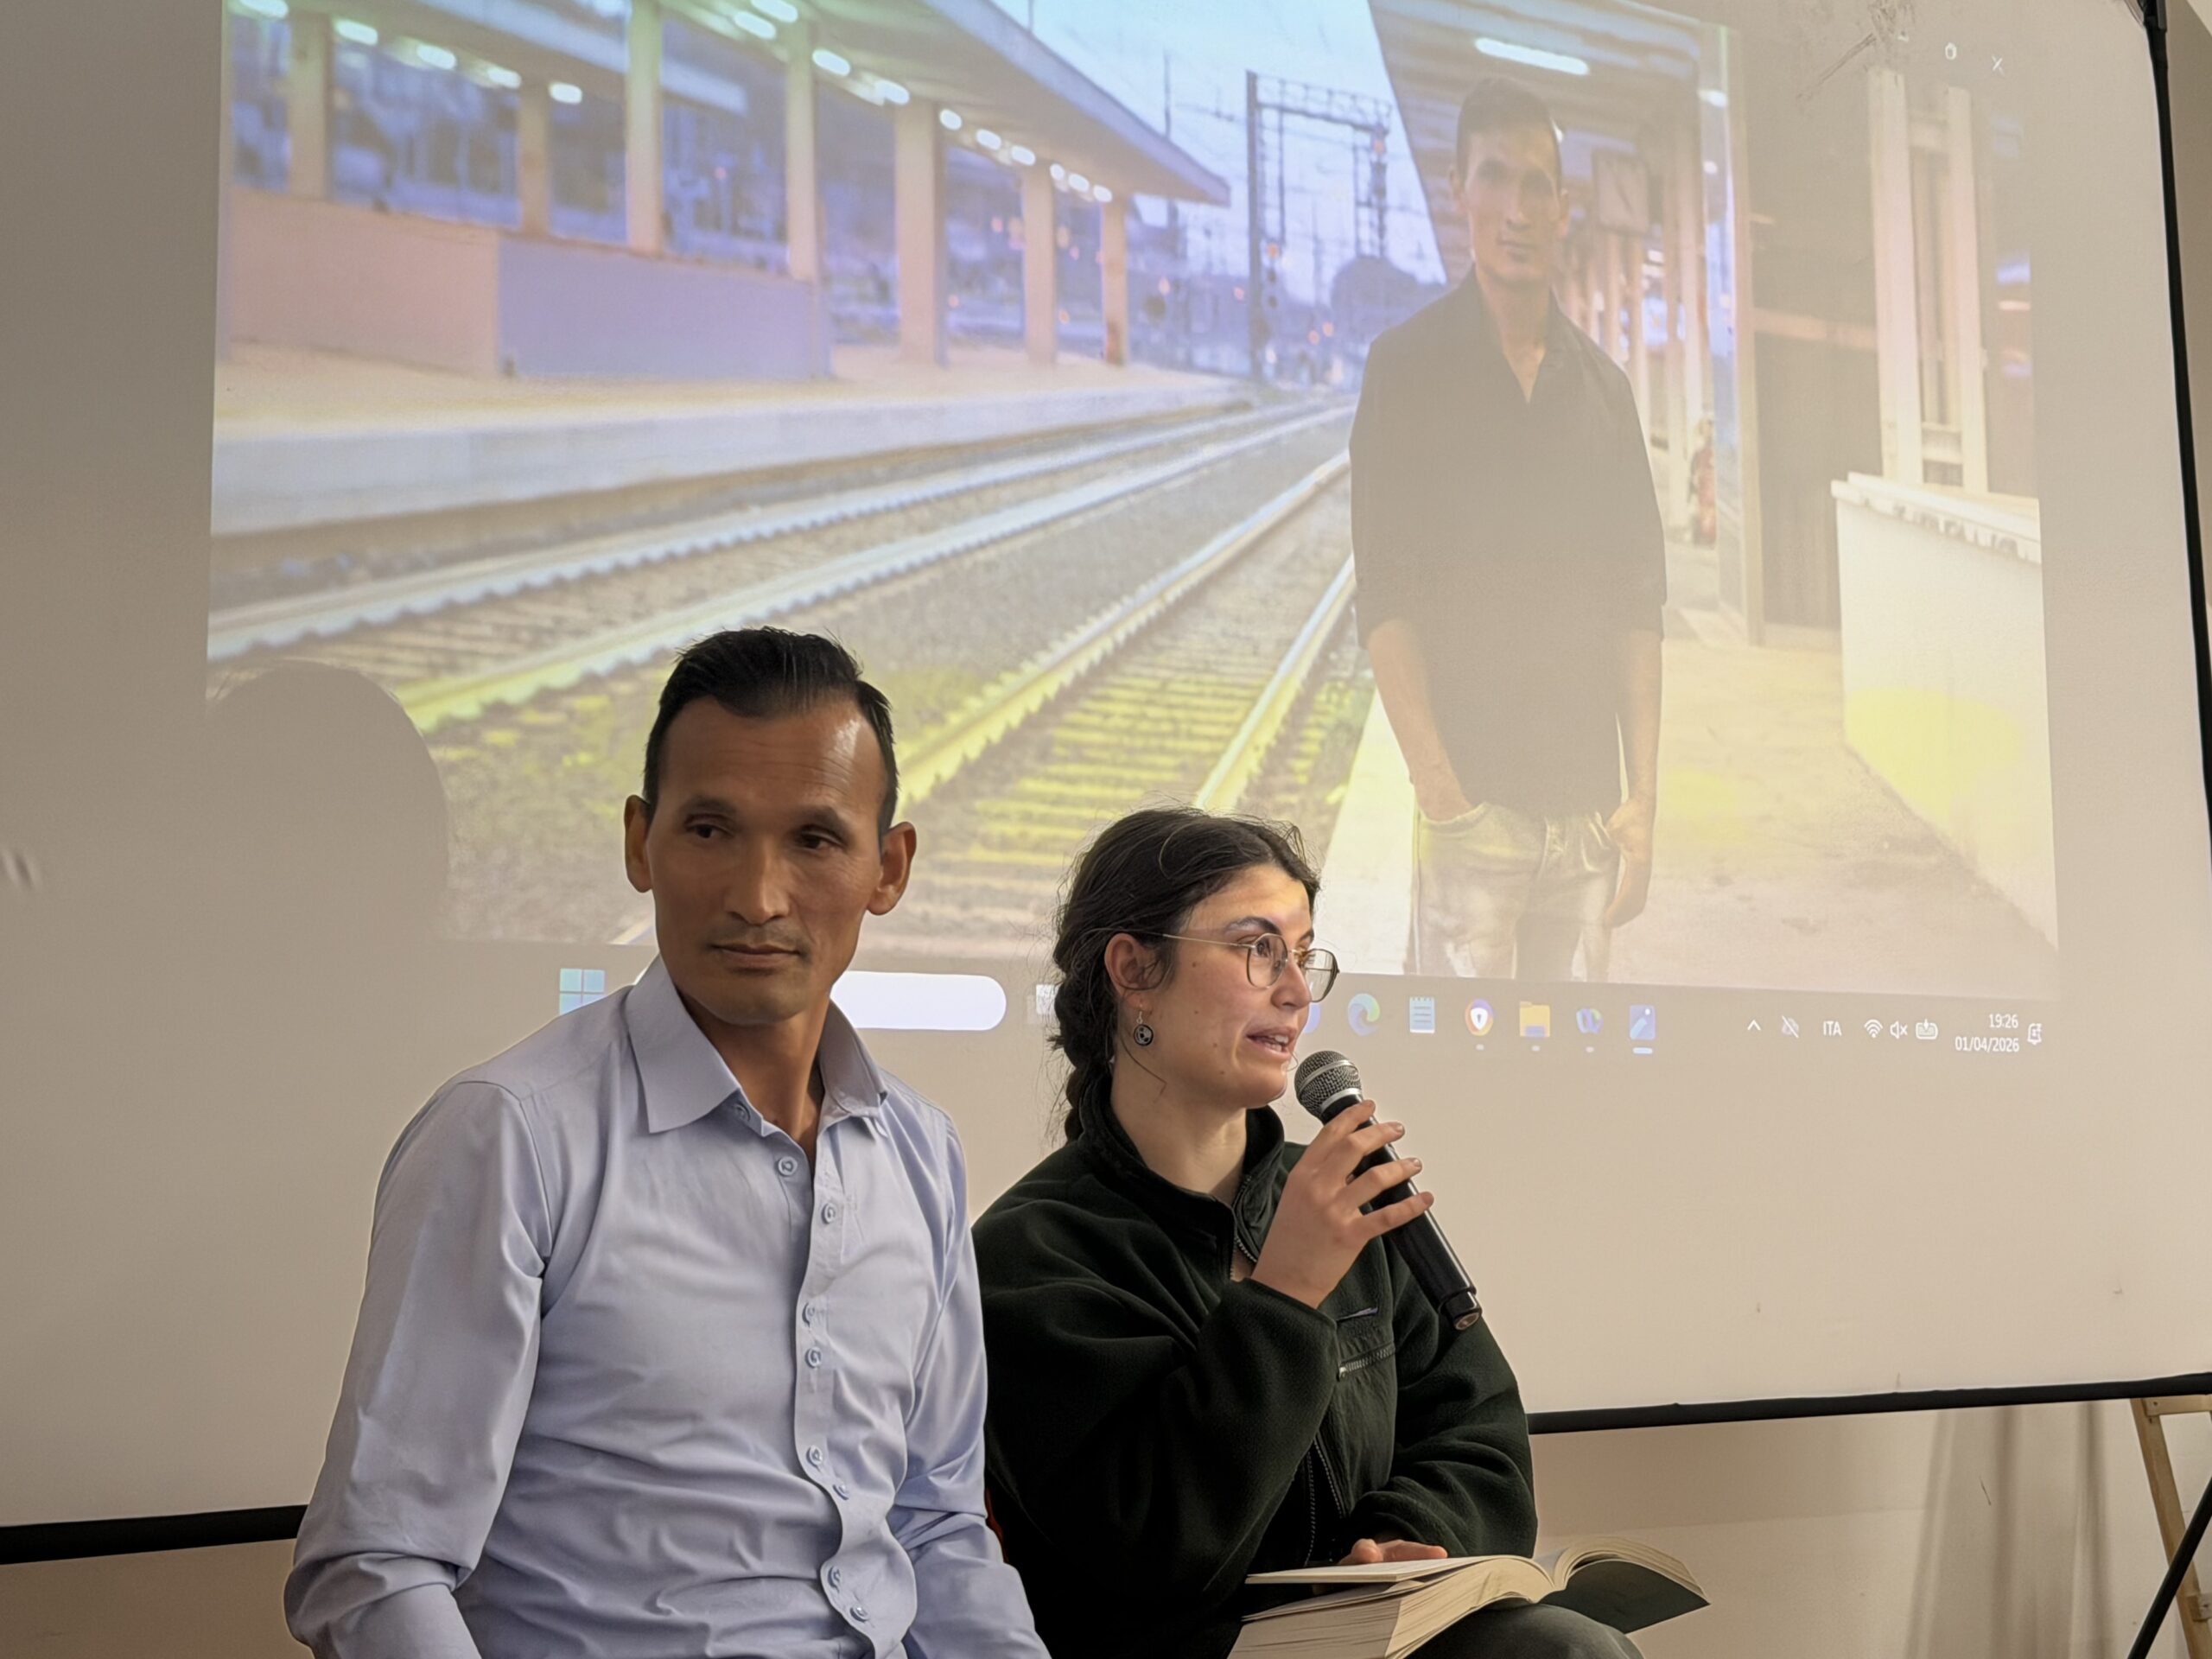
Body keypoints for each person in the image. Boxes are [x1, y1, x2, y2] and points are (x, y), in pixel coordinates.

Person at [287, 628, 1046, 1659]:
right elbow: (377, 1565)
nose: (757, 896)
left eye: (814, 840)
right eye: (709, 830)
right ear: (640, 844)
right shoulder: (512, 1137)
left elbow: (934, 1527)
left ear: (889, 866)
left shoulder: (920, 1151)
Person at [973, 806, 1638, 1659]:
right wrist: (1284, 1295)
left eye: (1303, 955)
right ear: (1134, 969)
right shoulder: (1031, 1257)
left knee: (1569, 1647)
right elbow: (1154, 1548)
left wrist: (1397, 1542)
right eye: (1257, 949)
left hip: (1376, 1635)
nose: (1293, 991)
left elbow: (1479, 1433)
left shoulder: (1342, 1196)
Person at [1351, 78, 1667, 982]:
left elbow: (1635, 607)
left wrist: (1642, 800)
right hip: (1472, 816)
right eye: (1495, 178)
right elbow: (1386, 598)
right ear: (1460, 190)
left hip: (1587, 818)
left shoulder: (1604, 392)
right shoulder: (1406, 371)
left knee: (1574, 1062)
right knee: (1457, 1064)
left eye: (1537, 186)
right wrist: (1442, 795)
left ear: (1564, 207)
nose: (1517, 211)